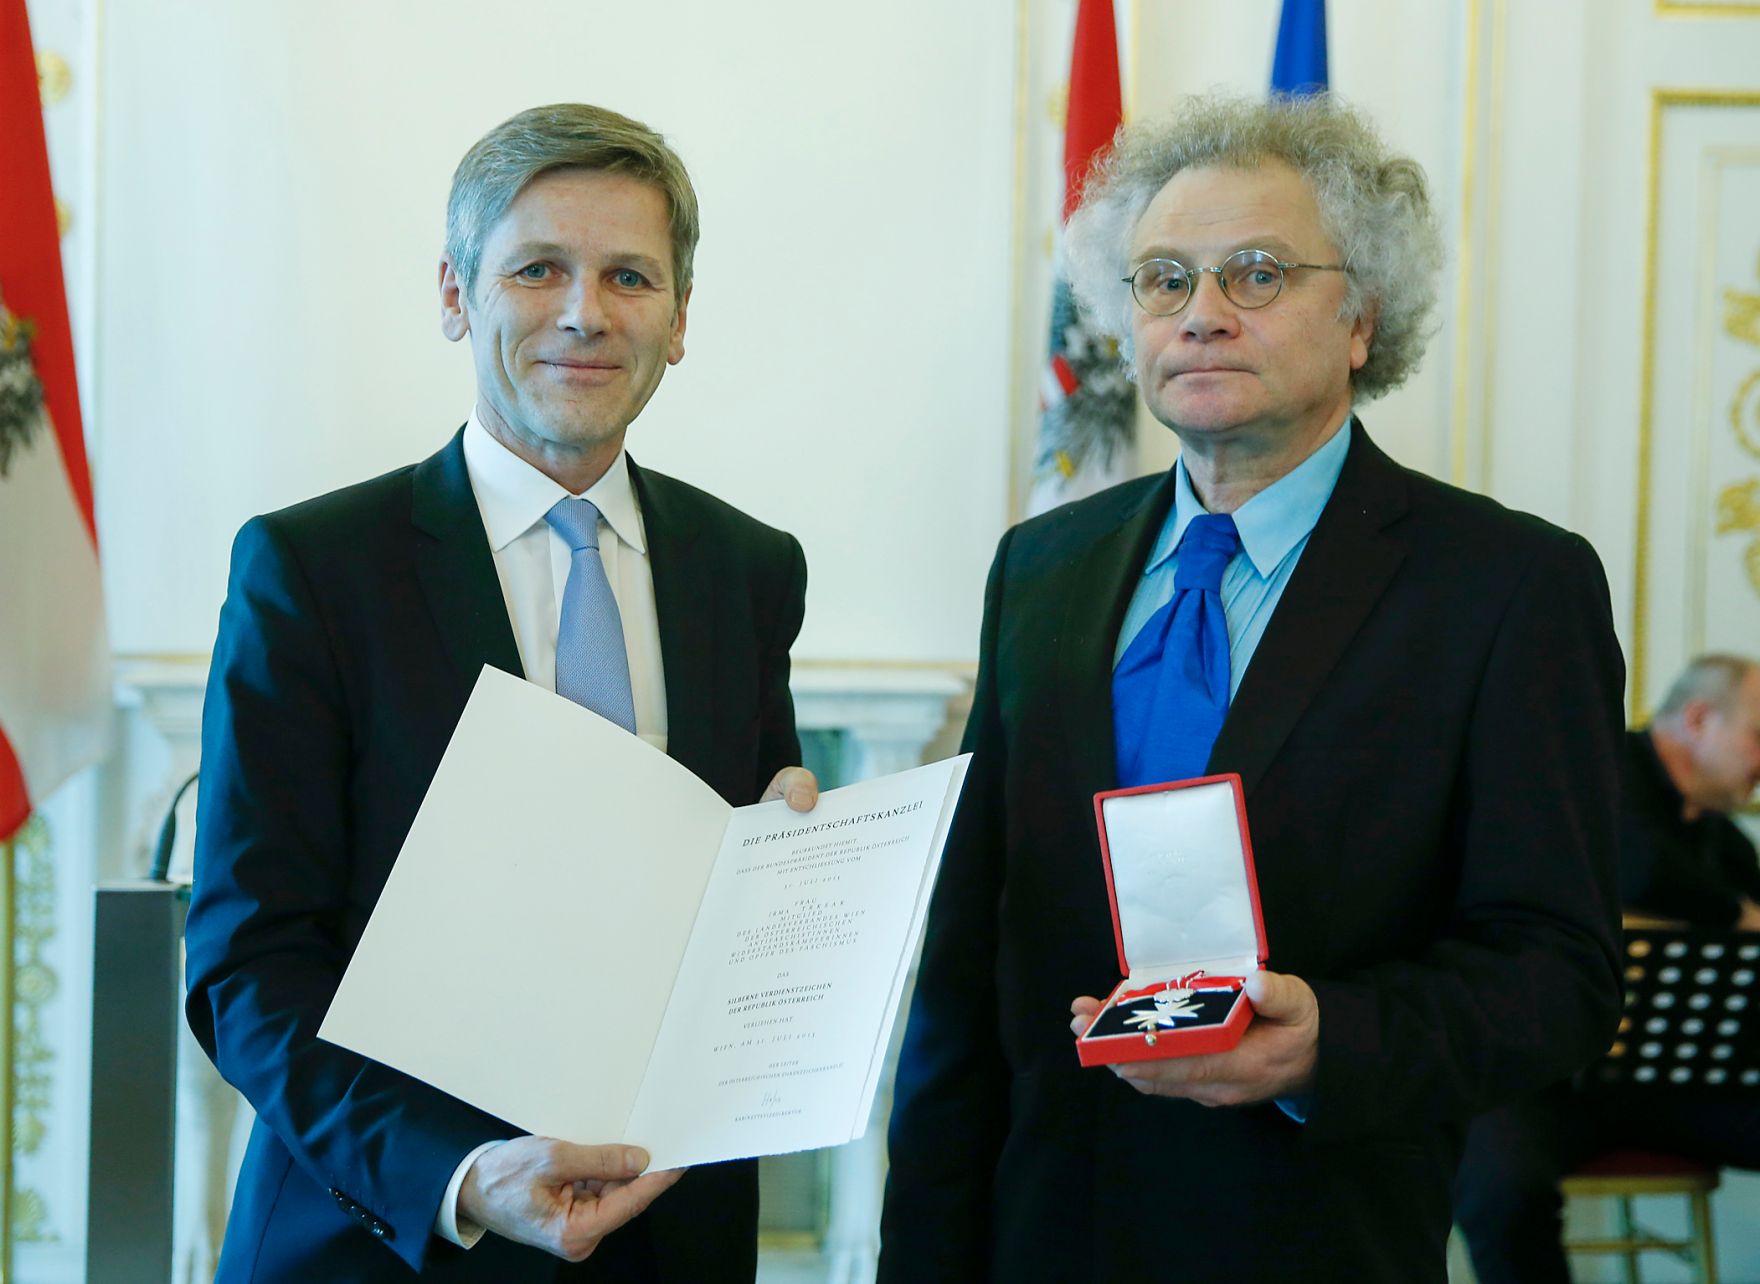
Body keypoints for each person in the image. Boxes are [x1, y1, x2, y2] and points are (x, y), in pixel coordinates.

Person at [878, 93, 1626, 1283]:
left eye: (1257, 274)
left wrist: (1328, 1042)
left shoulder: (1504, 587)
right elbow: (966, 971)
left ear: (1361, 318)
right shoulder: (1041, 567)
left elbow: (1556, 972)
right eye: (1163, 279)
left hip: (1313, 1238)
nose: (1201, 314)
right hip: (1040, 1234)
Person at [184, 103, 817, 1282]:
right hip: (386, 1236)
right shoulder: (314, 570)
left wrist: (788, 871)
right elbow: (246, 965)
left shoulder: (747, 569)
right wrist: (459, 1177)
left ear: (679, 318)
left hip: (667, 1236)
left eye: (628, 276)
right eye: (537, 269)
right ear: (453, 295)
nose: (584, 312)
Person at [1453, 654, 1760, 1284]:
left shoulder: (1725, 843)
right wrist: (1736, 914)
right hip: (1542, 1081)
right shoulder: (1594, 771)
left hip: (1665, 1083)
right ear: (1698, 719)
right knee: (1501, 1187)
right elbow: (1632, 864)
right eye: (1759, 735)